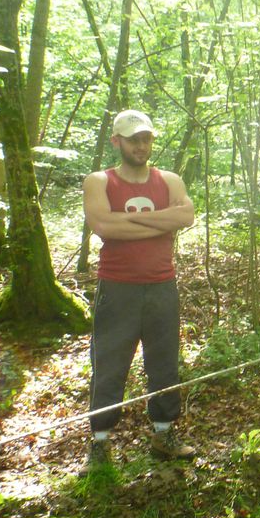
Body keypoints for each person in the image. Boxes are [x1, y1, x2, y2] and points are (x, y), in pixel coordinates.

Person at [82, 109, 196, 469]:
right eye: (133, 139)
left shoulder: (170, 180)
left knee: (164, 361)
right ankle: (99, 443)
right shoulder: (99, 181)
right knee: (109, 363)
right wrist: (161, 223)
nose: (141, 146)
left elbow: (185, 217)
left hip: (162, 286)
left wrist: (127, 220)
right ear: (117, 141)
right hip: (117, 288)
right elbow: (104, 226)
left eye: (146, 138)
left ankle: (164, 433)